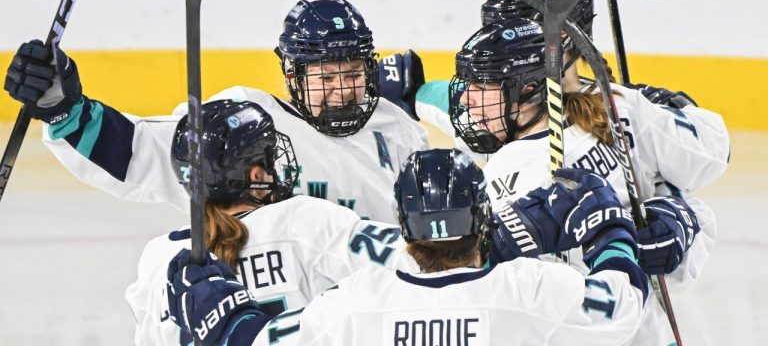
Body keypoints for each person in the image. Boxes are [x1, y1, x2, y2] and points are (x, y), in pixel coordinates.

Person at [379, 0, 727, 345]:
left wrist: (681, 217)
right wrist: (411, 91)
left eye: (486, 84)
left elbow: (705, 158)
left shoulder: (619, 110)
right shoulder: (518, 119)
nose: (468, 101)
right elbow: (448, 102)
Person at [164, 149, 651, 346]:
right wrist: (608, 228)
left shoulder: (352, 305)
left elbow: (256, 341)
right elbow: (624, 299)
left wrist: (222, 318)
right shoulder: (536, 289)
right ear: (482, 217)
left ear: (403, 224)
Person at [4, 0, 428, 223]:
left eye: (353, 74)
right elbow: (140, 152)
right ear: (294, 76)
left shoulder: (397, 129)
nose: (342, 93)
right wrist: (65, 110)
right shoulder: (246, 123)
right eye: (326, 79)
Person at [127, 99, 421, 345]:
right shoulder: (304, 221)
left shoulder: (159, 258)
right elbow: (417, 262)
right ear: (255, 176)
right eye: (269, 157)